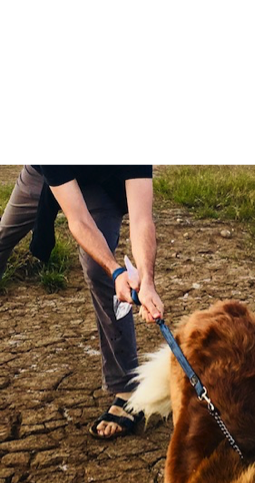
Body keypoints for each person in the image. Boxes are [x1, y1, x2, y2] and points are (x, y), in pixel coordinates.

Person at [0, 165, 165, 439]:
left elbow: (141, 219)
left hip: (102, 184)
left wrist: (144, 279)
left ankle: (126, 387)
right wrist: (116, 270)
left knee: (99, 270)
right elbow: (77, 220)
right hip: (45, 174)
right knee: (3, 235)